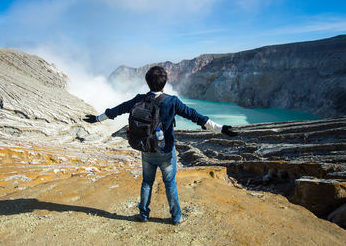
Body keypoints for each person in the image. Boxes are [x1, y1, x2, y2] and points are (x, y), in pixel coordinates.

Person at [83, 66, 238, 225]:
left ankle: (143, 215)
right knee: (170, 183)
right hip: (166, 152)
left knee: (147, 182)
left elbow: (117, 110)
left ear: (147, 82)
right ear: (164, 83)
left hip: (146, 150)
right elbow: (195, 116)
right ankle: (176, 217)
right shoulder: (172, 101)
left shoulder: (138, 99)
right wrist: (220, 128)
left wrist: (97, 118)